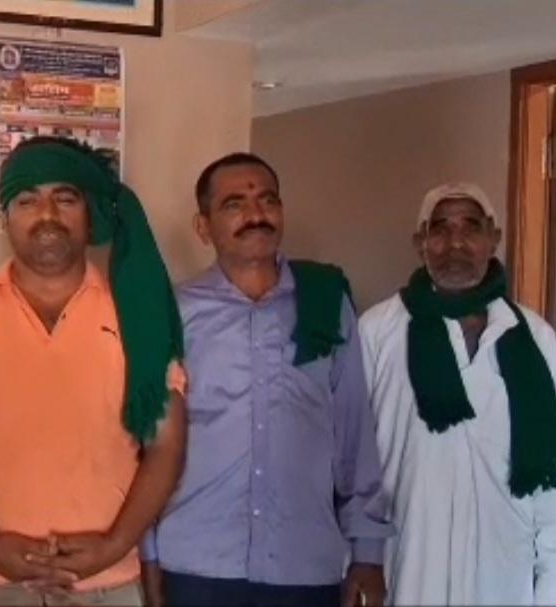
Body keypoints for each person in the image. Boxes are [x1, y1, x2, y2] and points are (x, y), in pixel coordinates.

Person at [0, 136, 187, 606]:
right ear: (6, 217)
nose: (47, 215)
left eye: (65, 198)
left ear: (89, 214)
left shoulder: (138, 316)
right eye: (27, 200)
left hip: (106, 584)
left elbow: (167, 444)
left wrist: (114, 546)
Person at [141, 153, 391, 607]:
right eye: (234, 204)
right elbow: (150, 442)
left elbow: (354, 435)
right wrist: (149, 553)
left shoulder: (325, 305)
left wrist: (368, 555)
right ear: (203, 227)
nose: (256, 215)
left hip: (304, 566)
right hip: (198, 565)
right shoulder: (175, 313)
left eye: (268, 200)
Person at [359, 182, 556, 605]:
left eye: (471, 227)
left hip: (505, 567)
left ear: (493, 239)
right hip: (409, 563)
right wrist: (360, 560)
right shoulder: (378, 330)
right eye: (440, 229)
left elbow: (552, 477)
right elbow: (354, 459)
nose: (456, 242)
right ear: (420, 242)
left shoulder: (536, 338)